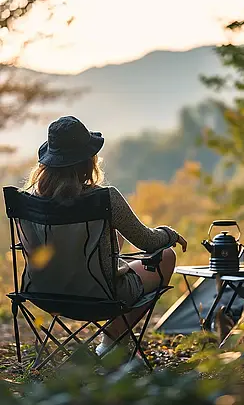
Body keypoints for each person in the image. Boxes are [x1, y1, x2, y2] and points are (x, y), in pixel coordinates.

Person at [22, 115, 187, 357]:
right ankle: (110, 344)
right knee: (166, 256)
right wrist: (170, 234)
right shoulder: (104, 198)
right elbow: (148, 242)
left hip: (43, 292)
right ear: (88, 161)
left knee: (112, 239)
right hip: (99, 295)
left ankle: (111, 345)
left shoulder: (29, 201)